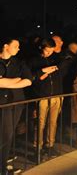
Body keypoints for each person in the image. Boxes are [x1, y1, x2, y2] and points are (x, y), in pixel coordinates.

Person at [0, 37, 33, 174]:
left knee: (9, 135)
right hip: (3, 104)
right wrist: (16, 80)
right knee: (5, 135)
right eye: (16, 46)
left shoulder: (18, 62)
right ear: (6, 46)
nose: (18, 49)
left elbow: (28, 80)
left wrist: (7, 82)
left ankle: (2, 166)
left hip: (17, 102)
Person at [28, 38, 64, 157]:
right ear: (41, 48)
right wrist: (42, 71)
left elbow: (63, 69)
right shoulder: (33, 60)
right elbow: (31, 78)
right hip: (42, 97)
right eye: (47, 50)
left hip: (56, 96)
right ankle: (37, 148)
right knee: (40, 123)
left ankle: (50, 145)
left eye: (51, 50)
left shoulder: (55, 58)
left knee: (53, 122)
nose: (49, 53)